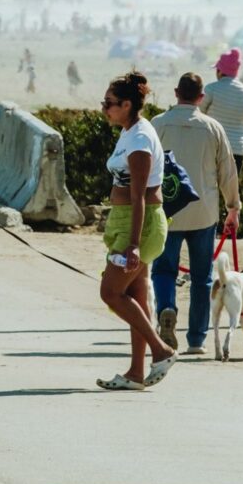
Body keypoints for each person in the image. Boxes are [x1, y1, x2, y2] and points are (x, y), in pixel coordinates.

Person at [96, 72, 177, 391]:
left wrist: (132, 244)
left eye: (110, 103)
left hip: (139, 224)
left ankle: (161, 349)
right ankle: (136, 372)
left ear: (127, 104)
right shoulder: (130, 132)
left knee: (110, 292)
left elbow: (140, 195)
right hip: (126, 220)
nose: (105, 109)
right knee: (135, 296)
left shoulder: (141, 139)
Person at [152, 72, 241, 356]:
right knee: (202, 276)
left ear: (176, 92)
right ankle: (196, 339)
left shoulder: (157, 125)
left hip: (167, 211)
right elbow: (228, 171)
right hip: (203, 212)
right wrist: (233, 207)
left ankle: (167, 307)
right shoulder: (213, 128)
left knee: (164, 269)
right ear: (201, 98)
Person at [202, 49, 243, 163]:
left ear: (219, 71)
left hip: (213, 146)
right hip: (237, 150)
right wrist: (237, 138)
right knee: (231, 181)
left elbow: (199, 113)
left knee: (210, 181)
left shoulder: (211, 89)